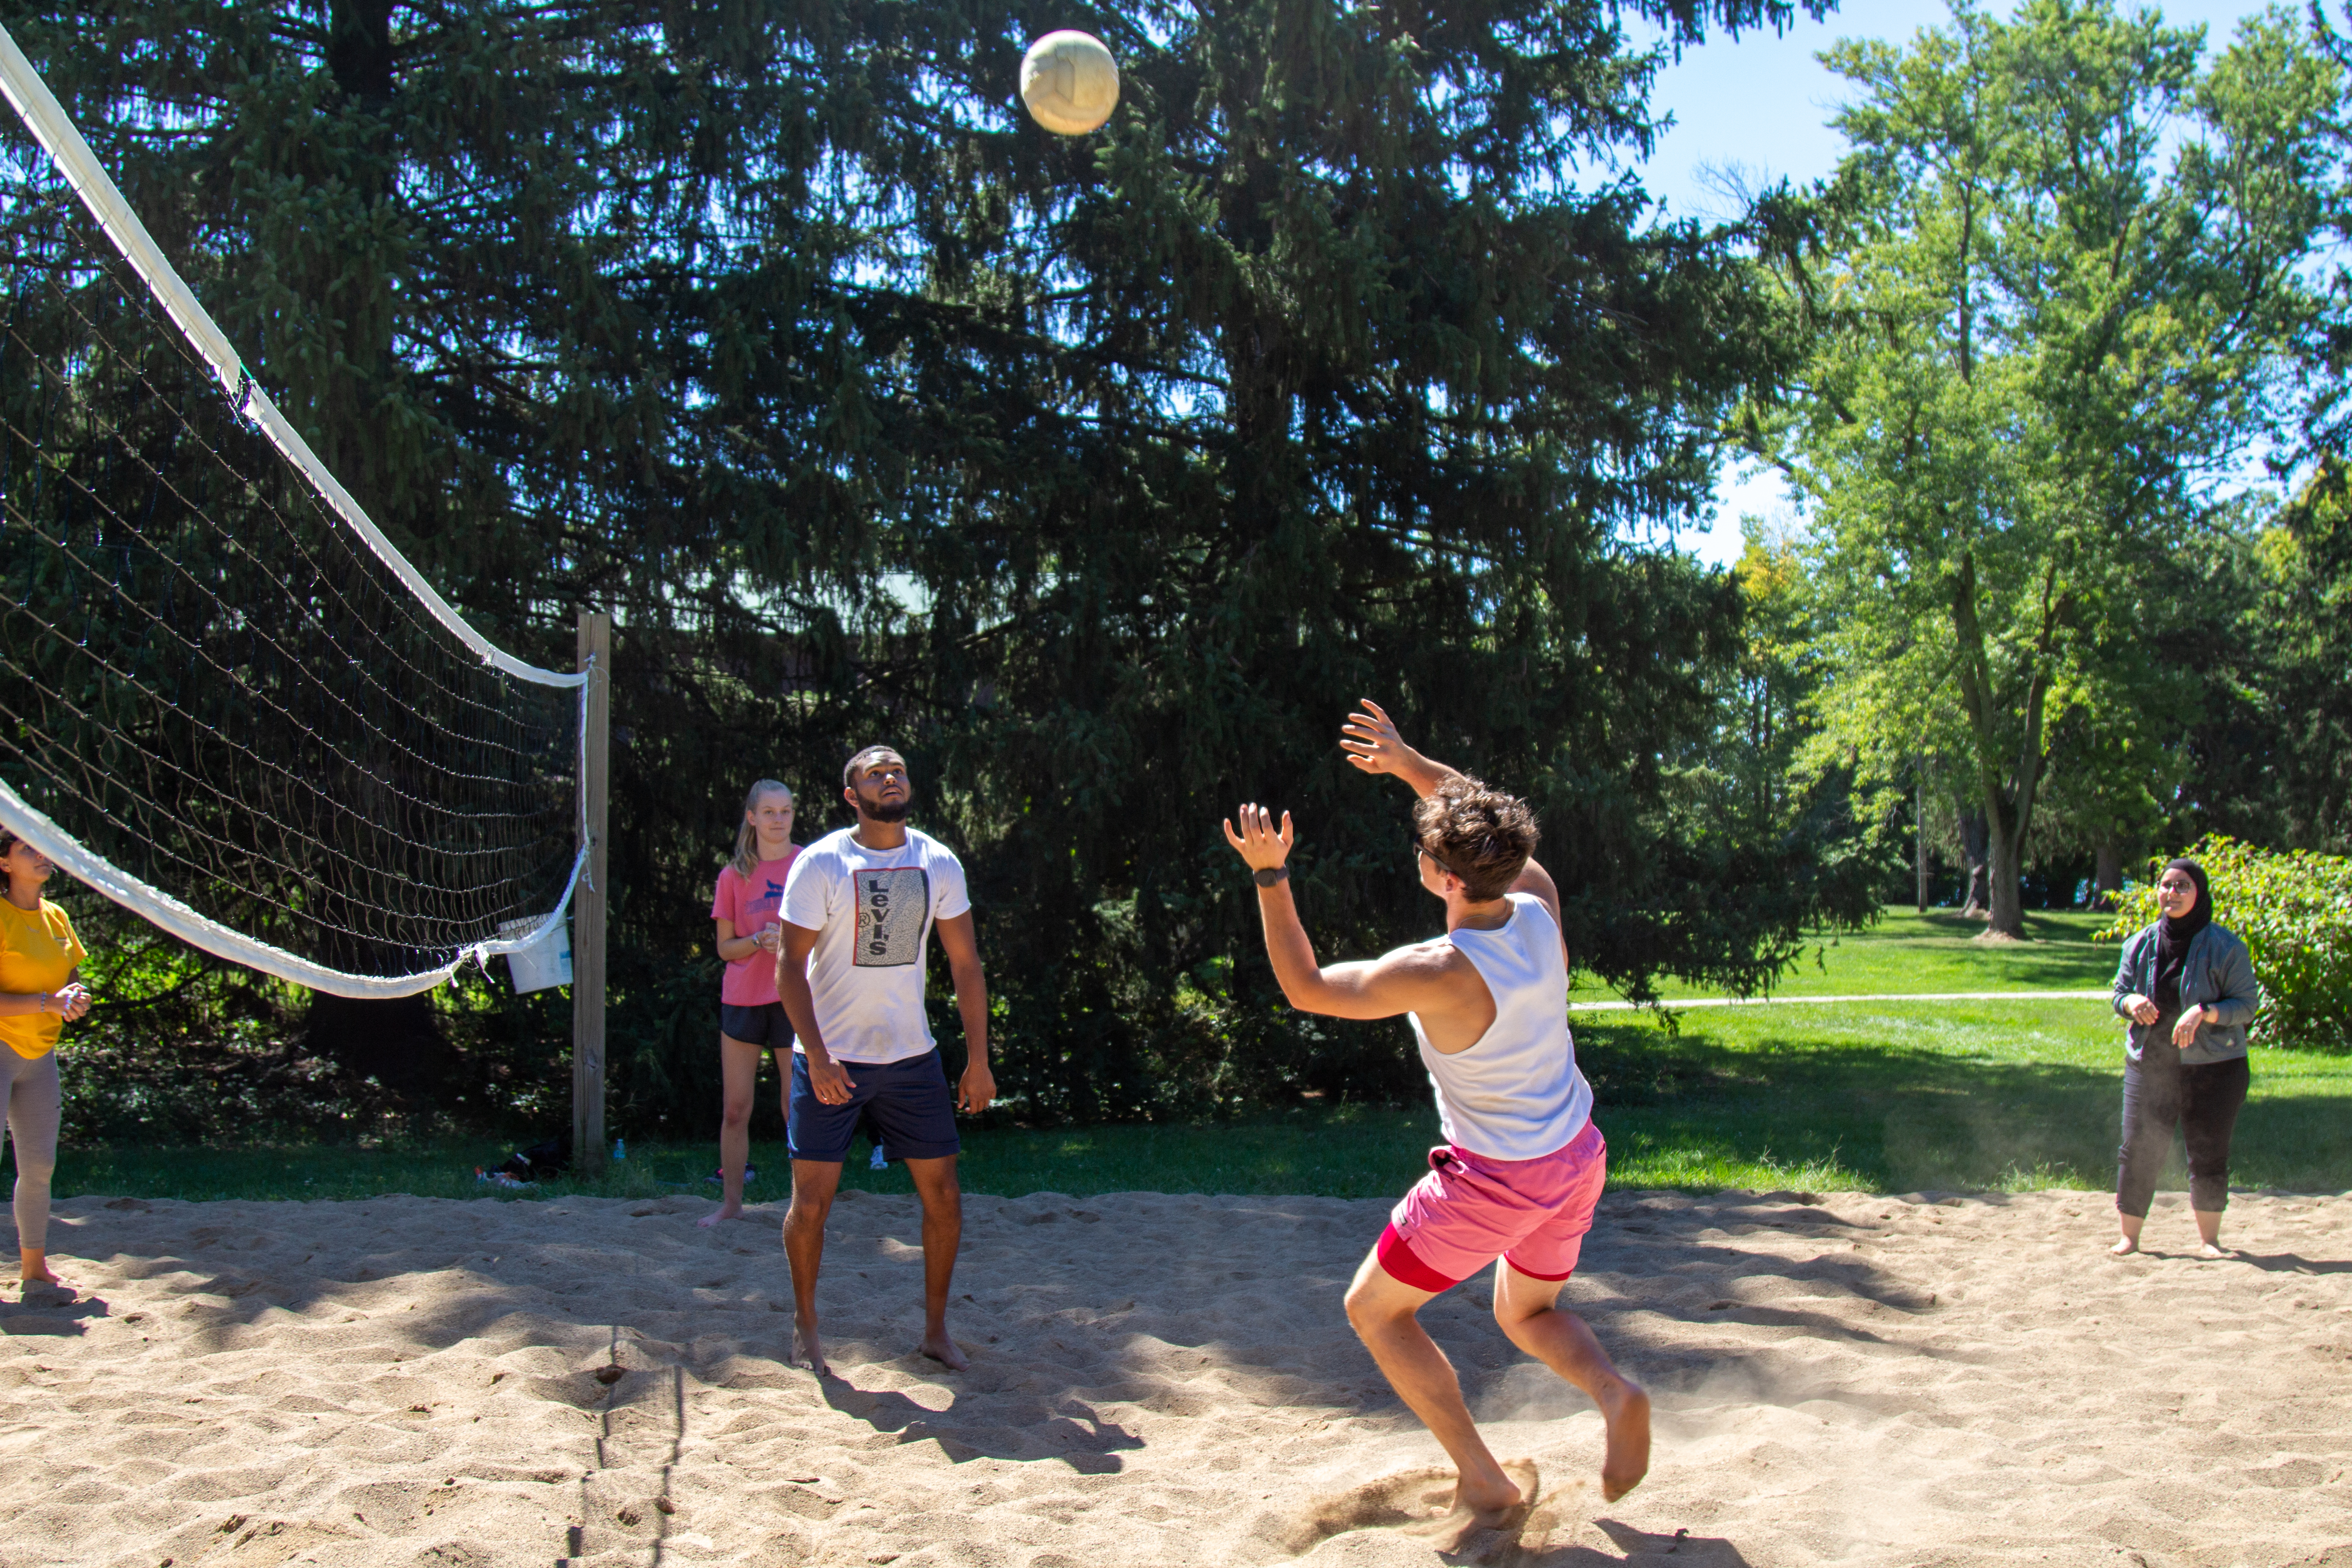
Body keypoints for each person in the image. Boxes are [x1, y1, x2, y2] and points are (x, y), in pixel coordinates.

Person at [1220, 699, 1649, 1521]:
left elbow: (1305, 987)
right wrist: (1408, 761)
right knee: (1524, 1311)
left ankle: (1481, 1477)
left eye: (1427, 852)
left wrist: (1270, 876)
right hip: (1575, 1154)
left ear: (1447, 879)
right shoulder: (1537, 906)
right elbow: (1483, 819)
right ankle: (1612, 1390)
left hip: (1498, 1180)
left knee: (1372, 1311)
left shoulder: (1440, 968)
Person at [774, 745, 995, 1374]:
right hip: (831, 1059)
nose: (890, 779)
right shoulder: (822, 864)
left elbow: (966, 965)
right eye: (874, 773)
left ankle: (934, 1331)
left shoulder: (937, 861)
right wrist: (816, 1057)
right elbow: (789, 967)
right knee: (811, 1204)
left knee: (945, 1197)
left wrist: (978, 1060)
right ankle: (807, 1327)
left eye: (896, 770)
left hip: (910, 1060)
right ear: (852, 796)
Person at [2108, 858, 2258, 1260]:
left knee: (2207, 1151)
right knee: (2138, 1149)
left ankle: (2210, 1242)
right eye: (2165, 885)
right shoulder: (2138, 944)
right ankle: (2130, 1240)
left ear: (2200, 894)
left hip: (2214, 1068)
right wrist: (2131, 1002)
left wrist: (2206, 1011)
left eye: (2182, 886)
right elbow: (2119, 993)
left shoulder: (2226, 947)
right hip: (2150, 1065)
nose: (2171, 893)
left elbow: (2246, 1005)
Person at [702, 779, 801, 1228]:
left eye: (786, 811)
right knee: (735, 1109)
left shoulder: (808, 865)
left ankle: (806, 1205)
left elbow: (831, 937)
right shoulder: (733, 875)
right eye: (770, 812)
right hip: (742, 1000)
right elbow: (725, 949)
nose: (778, 820)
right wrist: (757, 941)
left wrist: (790, 943)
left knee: (795, 1106)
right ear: (752, 818)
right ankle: (731, 1204)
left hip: (793, 998)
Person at [0, 830, 91, 1295]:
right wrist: (46, 1002)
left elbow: (70, 976)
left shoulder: (57, 917)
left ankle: (33, 1267)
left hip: (39, 1055)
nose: (40, 855)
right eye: (26, 850)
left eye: (41, 847)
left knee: (38, 1167)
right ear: (4, 864)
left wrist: (74, 998)